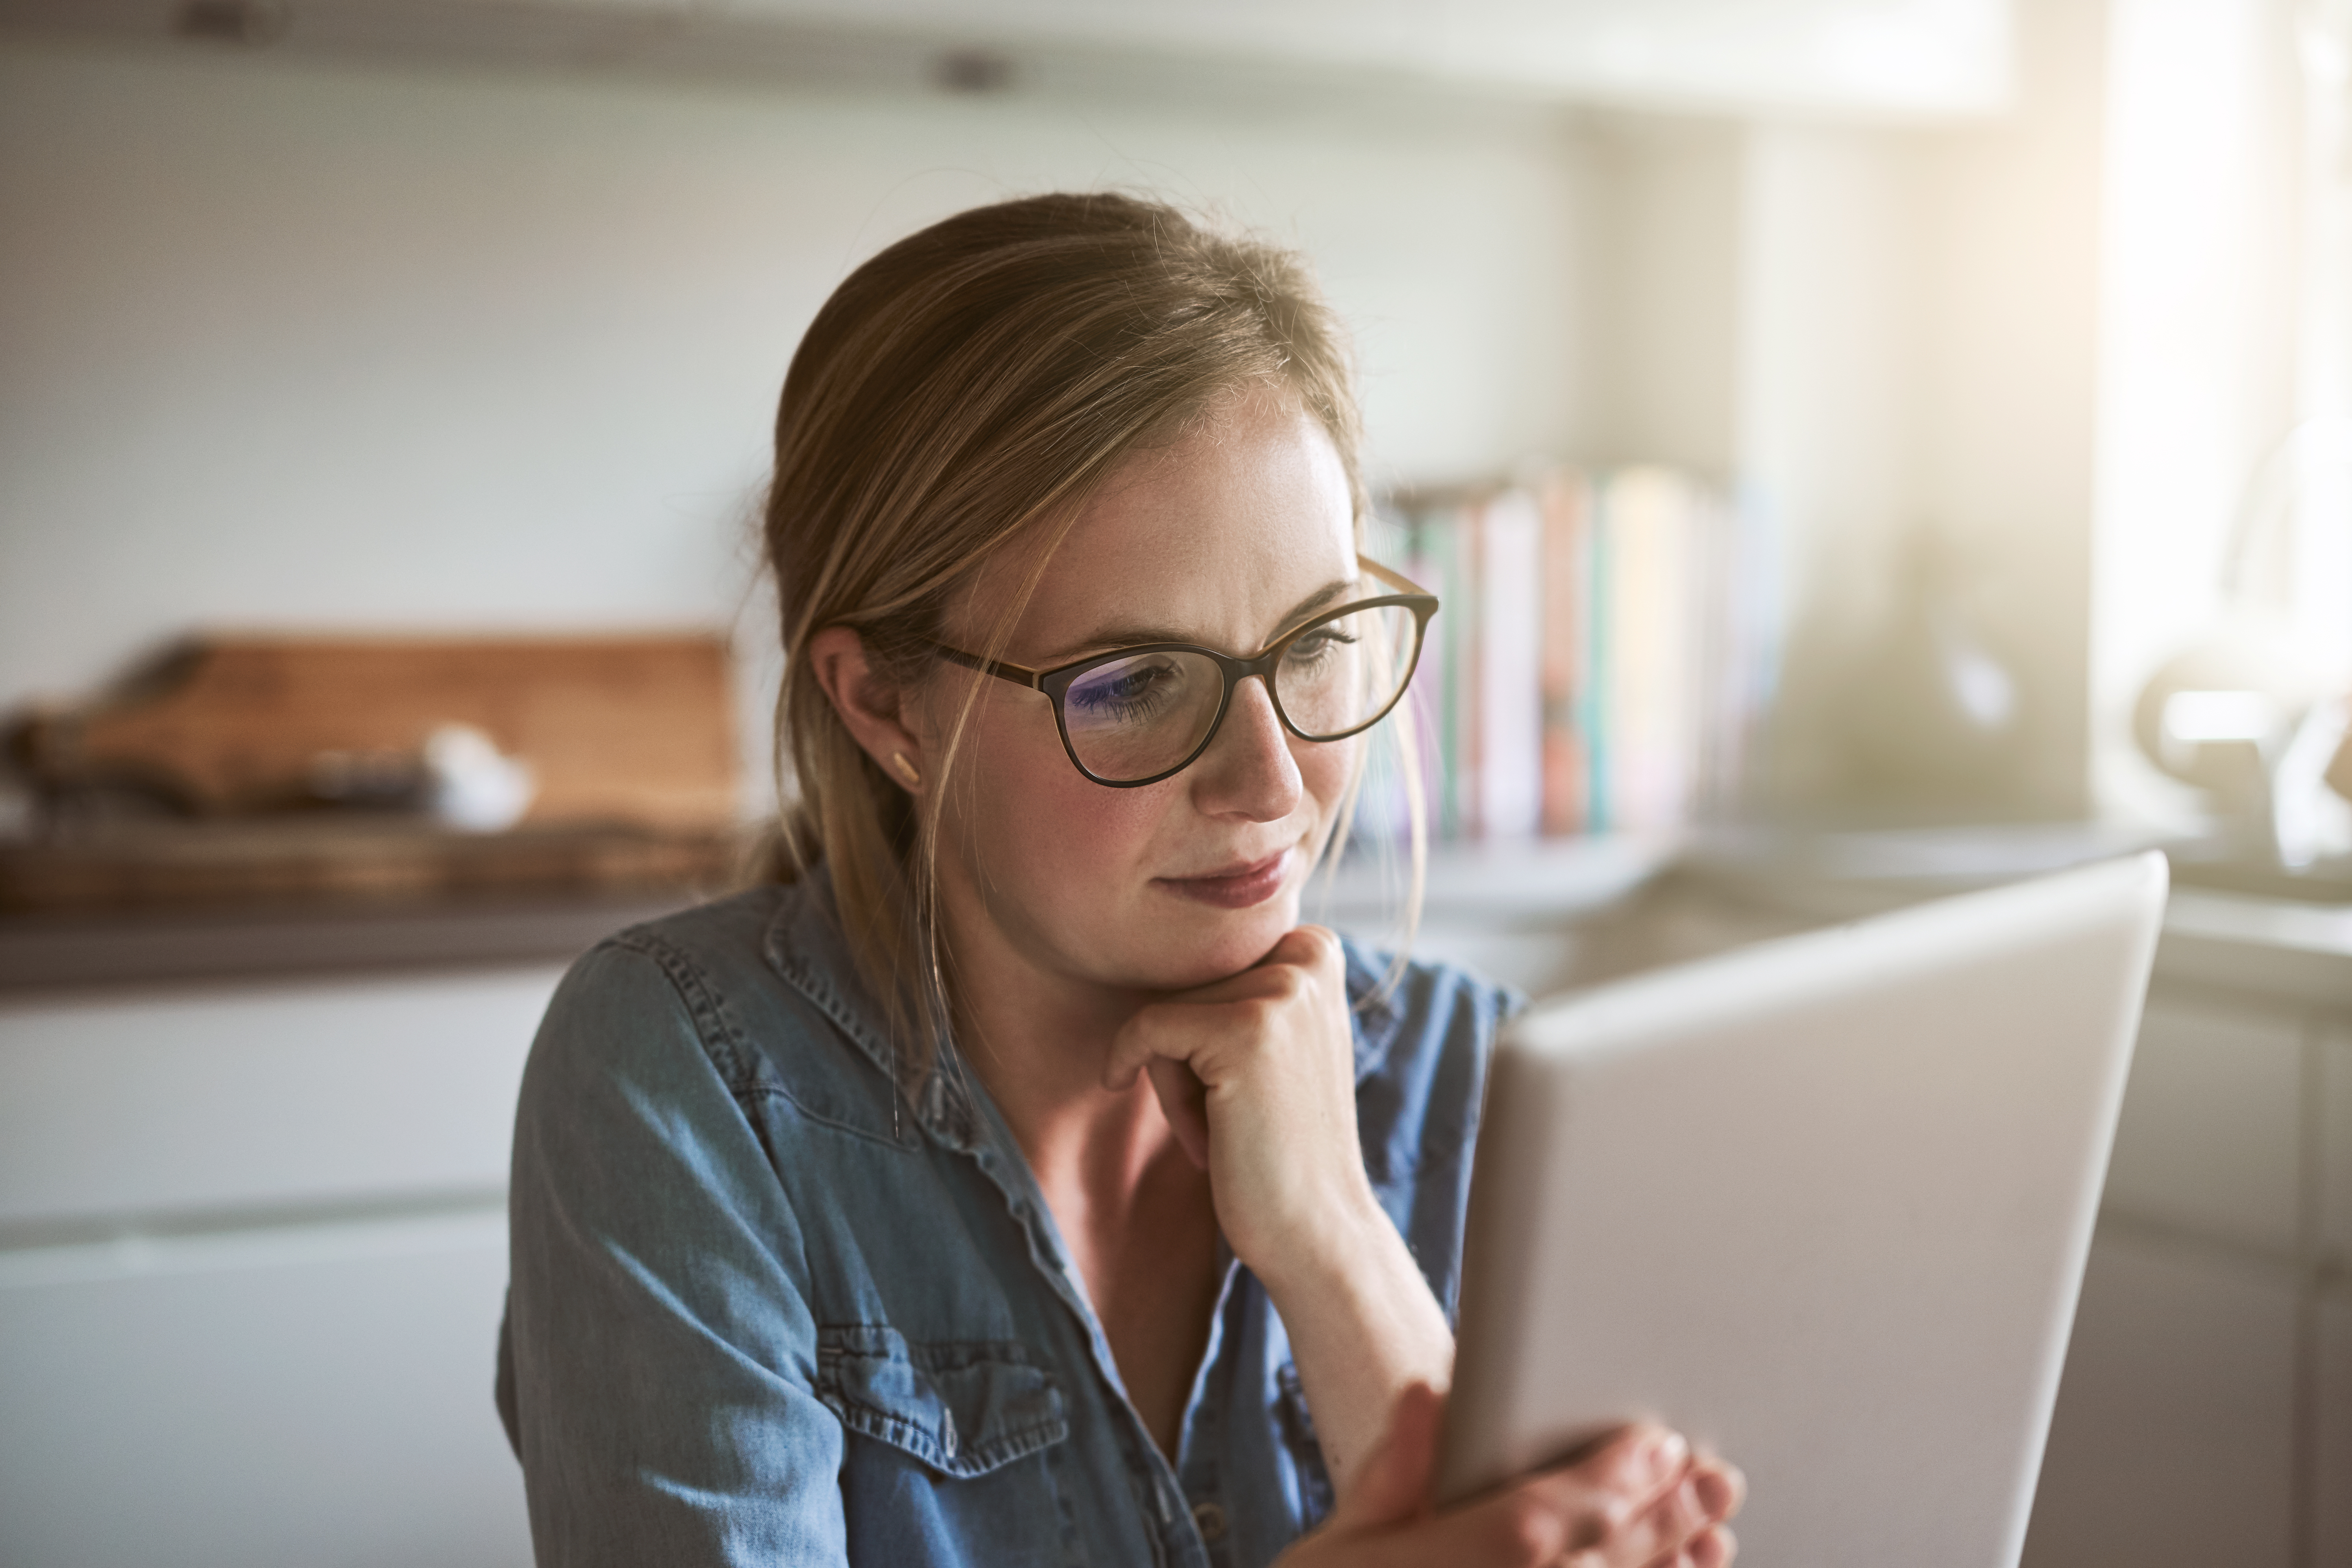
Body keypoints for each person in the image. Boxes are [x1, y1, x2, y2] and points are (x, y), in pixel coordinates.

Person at [497, 191, 1743, 1568]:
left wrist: (1335, 1242)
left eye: (1319, 639)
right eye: (1140, 681)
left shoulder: (1492, 1085)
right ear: (886, 710)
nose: (1273, 784)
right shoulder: (690, 1087)